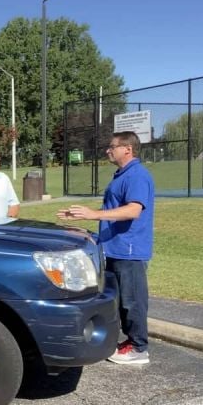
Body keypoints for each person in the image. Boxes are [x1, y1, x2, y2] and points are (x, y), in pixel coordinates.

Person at [57, 131, 154, 365]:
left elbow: (133, 210)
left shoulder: (137, 176)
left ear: (127, 149)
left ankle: (139, 348)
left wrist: (93, 214)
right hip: (114, 248)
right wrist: (84, 222)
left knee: (133, 301)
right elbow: (113, 211)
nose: (108, 151)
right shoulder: (122, 175)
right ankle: (129, 343)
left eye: (112, 147)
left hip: (129, 250)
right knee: (120, 300)